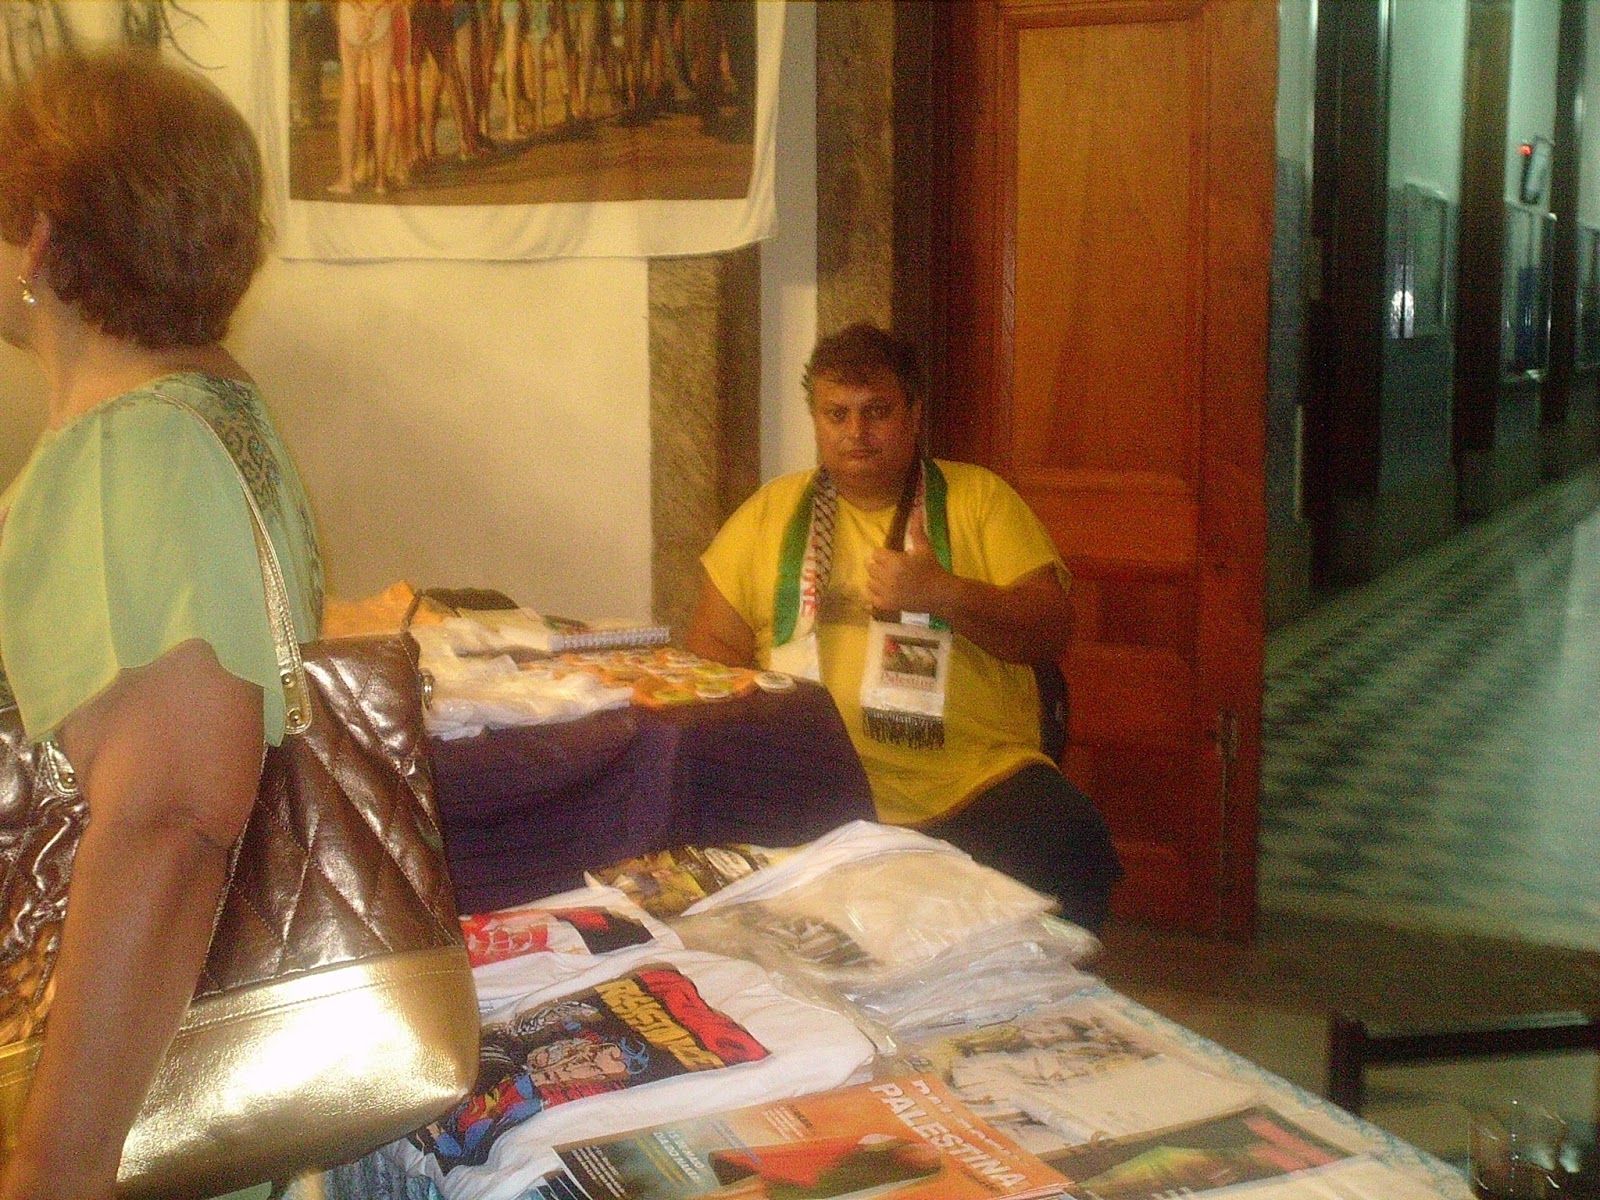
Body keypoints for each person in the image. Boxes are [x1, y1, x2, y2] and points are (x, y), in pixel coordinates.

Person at [0, 49, 322, 1200]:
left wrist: (58, 1163)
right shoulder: (216, 408)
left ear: (39, 238)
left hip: (109, 1116)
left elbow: (170, 821)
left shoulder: (131, 452)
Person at [687, 323, 1120, 932]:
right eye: (837, 414)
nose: (856, 432)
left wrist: (944, 594)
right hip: (811, 782)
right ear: (816, 420)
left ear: (914, 414)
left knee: (1069, 845)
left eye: (877, 411)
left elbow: (1051, 629)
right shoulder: (769, 512)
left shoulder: (980, 499)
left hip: (972, 782)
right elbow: (710, 654)